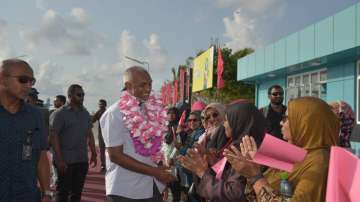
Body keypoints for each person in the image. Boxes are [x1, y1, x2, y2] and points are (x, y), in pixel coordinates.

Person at [224, 97, 339, 202]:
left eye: (286, 118)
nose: (281, 123)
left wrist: (255, 176)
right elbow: (254, 195)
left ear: (305, 123)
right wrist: (252, 170)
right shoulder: (297, 154)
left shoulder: (319, 162)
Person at [100, 66, 176, 202]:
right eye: (142, 85)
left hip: (152, 187)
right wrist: (155, 172)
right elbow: (115, 156)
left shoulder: (148, 110)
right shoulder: (114, 113)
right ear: (128, 86)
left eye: (150, 84)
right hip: (126, 190)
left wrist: (161, 173)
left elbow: (151, 150)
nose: (148, 89)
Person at [178, 102, 266, 202]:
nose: (224, 124)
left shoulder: (246, 149)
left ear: (238, 122)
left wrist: (202, 172)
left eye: (227, 120)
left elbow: (234, 193)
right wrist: (213, 162)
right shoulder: (243, 144)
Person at [0, 59, 51, 201]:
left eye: (32, 81)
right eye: (23, 80)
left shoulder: (35, 116)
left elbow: (41, 157)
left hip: (26, 196)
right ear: (2, 79)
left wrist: (47, 192)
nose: (28, 86)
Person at [50, 84, 97, 202]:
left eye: (83, 95)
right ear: (70, 96)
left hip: (81, 160)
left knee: (76, 194)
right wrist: (59, 160)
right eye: (79, 95)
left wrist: (94, 153)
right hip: (65, 160)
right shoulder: (59, 114)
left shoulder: (85, 114)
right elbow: (53, 136)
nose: (82, 97)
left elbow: (89, 133)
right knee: (62, 193)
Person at [92, 99, 107, 172]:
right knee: (102, 150)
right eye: (99, 104)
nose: (100, 106)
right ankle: (103, 165)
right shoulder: (98, 113)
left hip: (109, 135)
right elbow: (92, 121)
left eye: (102, 104)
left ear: (105, 105)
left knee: (110, 151)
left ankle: (110, 165)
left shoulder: (108, 112)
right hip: (101, 135)